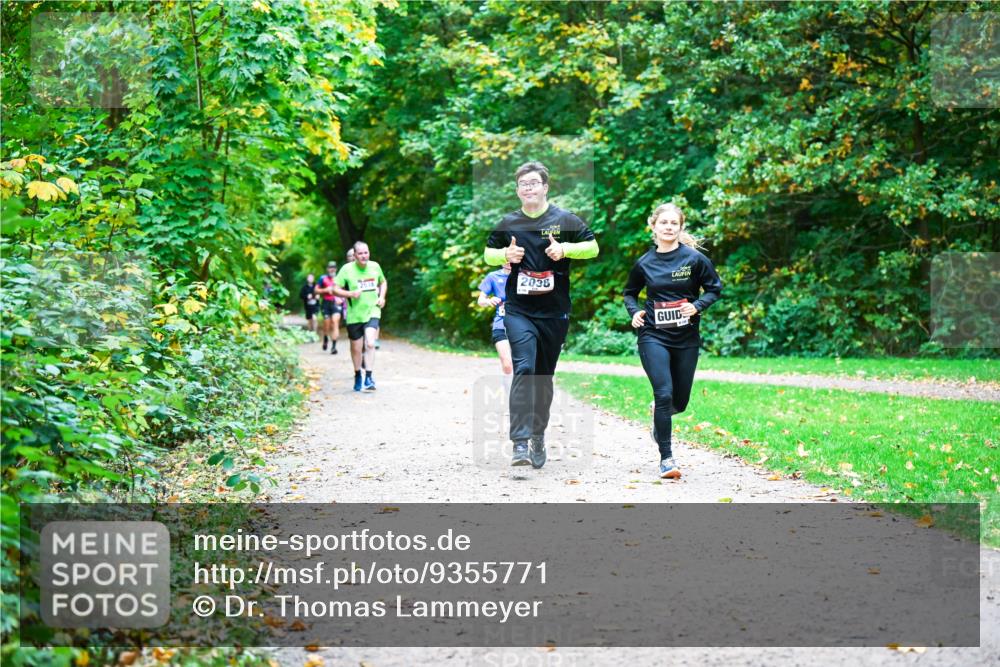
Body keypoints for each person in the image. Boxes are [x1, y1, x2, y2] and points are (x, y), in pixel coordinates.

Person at [484, 161, 599, 468]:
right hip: (519, 309)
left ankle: (538, 435)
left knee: (543, 378)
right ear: (517, 190)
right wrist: (505, 255)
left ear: (545, 187)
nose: (529, 188)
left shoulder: (564, 218)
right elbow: (487, 254)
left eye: (534, 183)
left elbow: (593, 247)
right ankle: (520, 443)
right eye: (523, 184)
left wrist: (565, 250)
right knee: (523, 367)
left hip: (554, 311)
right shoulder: (508, 222)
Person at [623, 202, 722, 479]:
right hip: (653, 335)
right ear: (653, 226)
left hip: (686, 338)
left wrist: (698, 306)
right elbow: (630, 293)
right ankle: (667, 458)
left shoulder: (694, 260)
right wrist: (635, 312)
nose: (668, 227)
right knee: (663, 393)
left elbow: (715, 288)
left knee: (680, 401)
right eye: (663, 223)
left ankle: (659, 416)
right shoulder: (645, 262)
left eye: (673, 223)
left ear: (680, 227)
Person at [333, 241, 387, 392]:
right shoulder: (347, 270)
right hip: (355, 315)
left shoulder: (375, 266)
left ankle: (369, 377)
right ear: (355, 255)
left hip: (372, 310)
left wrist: (382, 297)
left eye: (366, 253)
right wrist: (349, 294)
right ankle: (358, 374)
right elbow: (334, 289)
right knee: (356, 348)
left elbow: (383, 282)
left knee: (370, 343)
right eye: (361, 253)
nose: (364, 256)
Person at [477, 262, 514, 391]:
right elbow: (480, 300)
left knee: (524, 366)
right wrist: (489, 300)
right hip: (501, 324)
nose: (509, 262)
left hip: (523, 325)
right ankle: (512, 403)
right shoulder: (493, 276)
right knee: (507, 364)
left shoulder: (524, 275)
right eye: (506, 258)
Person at [316, 261, 344, 354]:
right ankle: (325, 338)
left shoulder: (340, 278)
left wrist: (341, 298)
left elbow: (345, 289)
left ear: (336, 269)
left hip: (336, 303)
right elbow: (316, 290)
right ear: (327, 269)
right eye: (330, 267)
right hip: (326, 303)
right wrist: (325, 290)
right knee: (327, 324)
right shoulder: (322, 278)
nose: (332, 269)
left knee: (335, 322)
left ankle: (334, 347)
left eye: (334, 267)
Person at [300, 273, 319, 338]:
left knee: (314, 318)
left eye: (312, 277)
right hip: (308, 306)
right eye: (309, 277)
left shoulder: (316, 286)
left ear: (313, 279)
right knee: (309, 320)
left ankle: (315, 334)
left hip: (315, 305)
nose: (310, 279)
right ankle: (310, 333)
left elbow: (321, 293)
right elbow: (301, 296)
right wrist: (307, 296)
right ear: (307, 279)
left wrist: (318, 296)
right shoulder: (304, 287)